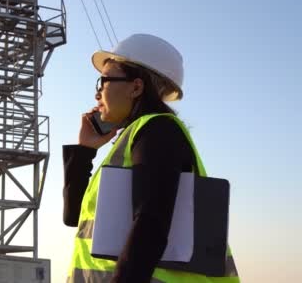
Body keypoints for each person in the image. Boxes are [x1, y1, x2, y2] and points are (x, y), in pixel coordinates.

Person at [63, 34, 240, 282]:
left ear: (136, 87)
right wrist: (84, 151)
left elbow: (151, 224)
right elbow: (74, 217)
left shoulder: (158, 131)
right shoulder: (134, 140)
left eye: (102, 81)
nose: (97, 93)